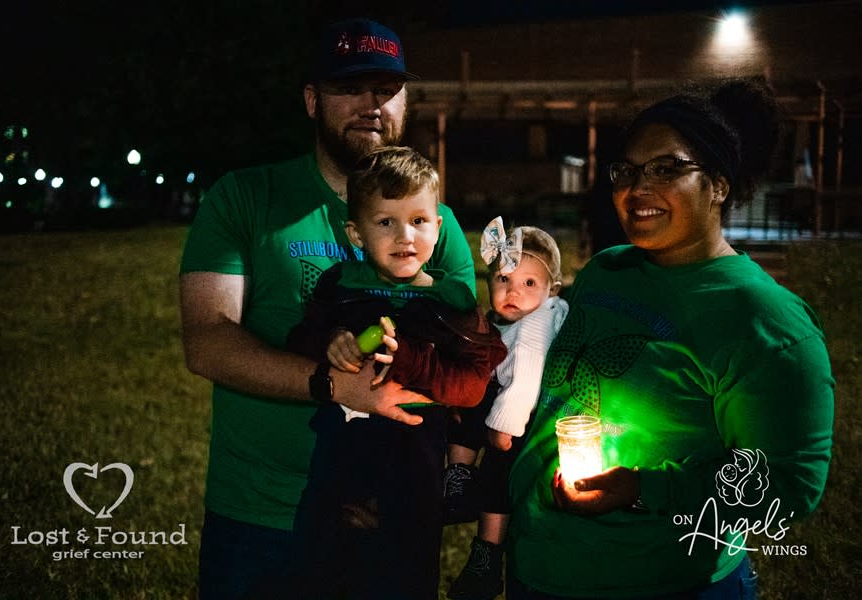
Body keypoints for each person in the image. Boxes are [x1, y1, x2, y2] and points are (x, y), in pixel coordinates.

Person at [178, 18, 477, 600]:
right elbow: (207, 340)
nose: (371, 105)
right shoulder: (245, 198)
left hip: (392, 516)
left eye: (386, 89)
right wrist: (332, 384)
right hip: (263, 516)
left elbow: (462, 363)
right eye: (349, 88)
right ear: (313, 100)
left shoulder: (435, 226)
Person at [506, 80, 835, 599]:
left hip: (664, 581)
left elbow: (789, 484)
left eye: (666, 169)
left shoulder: (764, 321)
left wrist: (642, 488)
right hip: (538, 568)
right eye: (628, 171)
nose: (638, 187)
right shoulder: (607, 270)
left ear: (718, 186)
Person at [287, 146, 507, 599]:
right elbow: (299, 341)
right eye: (386, 222)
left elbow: (472, 387)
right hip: (337, 474)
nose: (405, 235)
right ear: (356, 232)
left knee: (403, 583)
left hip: (413, 482)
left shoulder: (451, 302)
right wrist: (329, 341)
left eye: (418, 220)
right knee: (320, 579)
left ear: (438, 227)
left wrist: (410, 359)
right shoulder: (340, 286)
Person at [443, 217, 569, 600]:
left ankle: (486, 556)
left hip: (521, 418)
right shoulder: (512, 317)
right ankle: (458, 477)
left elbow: (526, 378)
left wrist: (503, 427)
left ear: (551, 290)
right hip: (504, 397)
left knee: (497, 475)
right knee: (466, 402)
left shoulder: (534, 328)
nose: (513, 291)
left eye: (529, 283)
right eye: (503, 279)